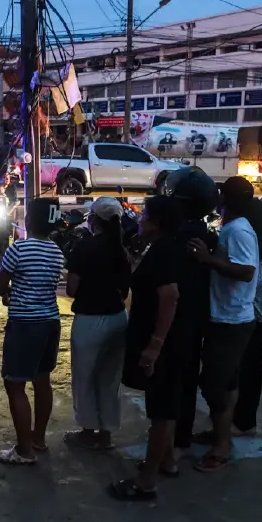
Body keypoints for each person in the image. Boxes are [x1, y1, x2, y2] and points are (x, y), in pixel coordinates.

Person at [110, 196, 184, 500]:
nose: (139, 220)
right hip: (165, 340)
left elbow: (170, 296)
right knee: (163, 406)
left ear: (157, 222)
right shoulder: (163, 248)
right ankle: (166, 462)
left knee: (161, 411)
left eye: (145, 216)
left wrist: (154, 345)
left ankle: (147, 480)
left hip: (165, 344)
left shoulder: (165, 251)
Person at [187, 177, 259, 470]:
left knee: (214, 385)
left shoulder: (239, 230)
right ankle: (220, 433)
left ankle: (222, 446)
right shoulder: (231, 227)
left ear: (222, 198)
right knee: (226, 382)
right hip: (227, 315)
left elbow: (246, 271)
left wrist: (207, 259)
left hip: (232, 319)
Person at [0, 197, 66, 465]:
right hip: (50, 322)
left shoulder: (19, 249)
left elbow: (1, 286)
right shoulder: (56, 251)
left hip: (25, 325)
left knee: (15, 385)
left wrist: (10, 293)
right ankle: (38, 438)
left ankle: (24, 451)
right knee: (42, 380)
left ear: (28, 221)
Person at [158, 167, 220, 452]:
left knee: (170, 384)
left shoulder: (174, 239)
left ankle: (169, 444)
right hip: (198, 317)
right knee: (188, 378)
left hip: (174, 320)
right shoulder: (208, 237)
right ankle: (182, 435)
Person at [63, 197, 130, 451]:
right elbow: (125, 290)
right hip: (117, 319)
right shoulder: (121, 250)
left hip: (89, 321)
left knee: (84, 377)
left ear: (94, 219)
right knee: (109, 379)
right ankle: (106, 434)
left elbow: (71, 289)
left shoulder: (84, 247)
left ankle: (87, 431)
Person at [230, 187, 262, 434]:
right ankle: (244, 418)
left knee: (246, 370)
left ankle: (243, 419)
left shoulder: (254, 256)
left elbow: (246, 282)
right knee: (250, 368)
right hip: (260, 317)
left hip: (253, 318)